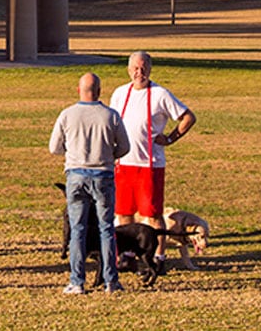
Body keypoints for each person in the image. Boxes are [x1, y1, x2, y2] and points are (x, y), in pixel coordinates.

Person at [109, 51, 196, 264]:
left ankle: (159, 257)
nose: (140, 73)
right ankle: (127, 255)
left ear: (150, 69)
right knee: (123, 213)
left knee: (153, 215)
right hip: (123, 164)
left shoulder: (160, 94)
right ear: (129, 70)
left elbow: (188, 117)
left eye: (144, 68)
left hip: (150, 165)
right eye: (136, 69)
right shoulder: (120, 93)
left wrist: (170, 138)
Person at [50, 72, 131, 295]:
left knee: (78, 229)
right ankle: (110, 281)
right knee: (106, 228)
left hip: (76, 175)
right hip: (103, 175)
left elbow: (54, 147)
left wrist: (73, 152)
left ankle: (77, 281)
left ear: (78, 90)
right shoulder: (110, 115)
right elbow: (125, 147)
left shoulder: (67, 115)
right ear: (99, 91)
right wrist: (109, 153)